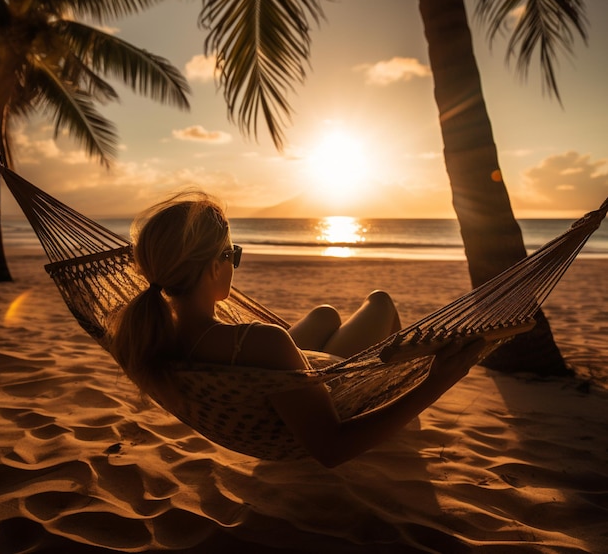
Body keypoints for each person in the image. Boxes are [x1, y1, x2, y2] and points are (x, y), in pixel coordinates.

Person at [109, 190, 484, 468]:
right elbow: (331, 447)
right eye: (232, 255)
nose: (234, 264)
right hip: (337, 388)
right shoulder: (263, 342)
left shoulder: (150, 336)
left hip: (288, 377)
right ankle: (401, 409)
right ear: (213, 266)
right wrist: (435, 380)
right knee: (381, 301)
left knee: (324, 314)